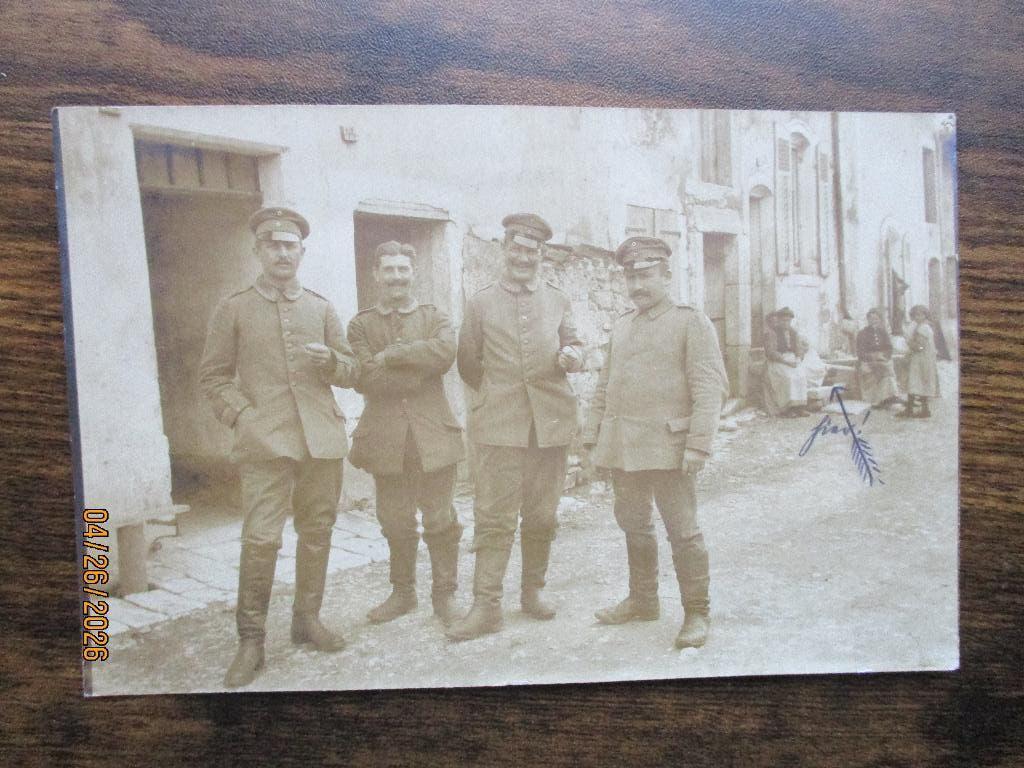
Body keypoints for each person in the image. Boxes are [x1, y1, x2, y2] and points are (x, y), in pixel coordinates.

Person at [199, 206, 358, 688]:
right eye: (273, 244)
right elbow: (213, 378)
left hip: (321, 442)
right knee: (261, 538)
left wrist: (331, 360)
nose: (282, 252)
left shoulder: (321, 307)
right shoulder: (234, 308)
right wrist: (245, 418)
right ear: (258, 250)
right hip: (265, 444)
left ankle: (306, 621)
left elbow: (353, 369)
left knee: (317, 531)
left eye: (290, 245)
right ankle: (251, 641)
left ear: (302, 252)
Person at [583, 237, 728, 649]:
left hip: (670, 448)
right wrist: (594, 435)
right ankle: (644, 600)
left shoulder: (690, 321)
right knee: (633, 524)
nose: (637, 284)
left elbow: (709, 387)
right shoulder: (623, 324)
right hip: (624, 447)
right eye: (630, 276)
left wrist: (699, 444)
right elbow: (604, 385)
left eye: (645, 275)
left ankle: (697, 612)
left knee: (683, 532)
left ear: (666, 275)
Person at [447, 213, 585, 642]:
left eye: (532, 251)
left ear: (542, 255)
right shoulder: (481, 302)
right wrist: (496, 399)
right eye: (517, 248)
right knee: (494, 518)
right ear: (504, 250)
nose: (524, 257)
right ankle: (486, 606)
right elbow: (468, 362)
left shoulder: (558, 300)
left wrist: (572, 357)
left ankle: (532, 593)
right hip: (499, 426)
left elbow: (575, 344)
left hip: (550, 424)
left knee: (542, 515)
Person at [346, 241, 465, 627]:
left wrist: (394, 356)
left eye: (403, 269)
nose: (396, 277)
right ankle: (402, 592)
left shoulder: (434, 317)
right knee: (394, 520)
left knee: (439, 518)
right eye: (389, 270)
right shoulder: (361, 324)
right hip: (387, 439)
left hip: (433, 435)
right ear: (376, 275)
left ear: (413, 273)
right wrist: (418, 369)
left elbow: (445, 354)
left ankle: (444, 595)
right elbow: (365, 377)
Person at [762, 307, 825, 417]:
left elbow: (798, 349)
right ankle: (787, 408)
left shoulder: (793, 332)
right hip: (777, 361)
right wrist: (786, 361)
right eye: (783, 320)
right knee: (788, 377)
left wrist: (798, 359)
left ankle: (799, 407)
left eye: (788, 321)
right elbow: (771, 352)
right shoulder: (771, 333)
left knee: (800, 375)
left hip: (791, 360)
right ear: (779, 320)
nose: (786, 323)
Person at [898, 304, 940, 419]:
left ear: (925, 315)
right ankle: (911, 408)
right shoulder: (918, 326)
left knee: (919, 381)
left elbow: (919, 347)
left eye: (921, 315)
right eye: (915, 315)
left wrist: (908, 341)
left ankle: (923, 410)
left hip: (922, 359)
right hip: (919, 358)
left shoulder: (924, 328)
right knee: (914, 381)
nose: (918, 317)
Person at [856, 308, 900, 407]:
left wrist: (884, 356)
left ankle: (889, 396)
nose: (874, 321)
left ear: (879, 320)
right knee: (871, 370)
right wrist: (872, 357)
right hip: (868, 361)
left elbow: (889, 348)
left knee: (888, 369)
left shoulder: (883, 332)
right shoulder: (862, 333)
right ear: (867, 320)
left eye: (876, 319)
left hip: (882, 359)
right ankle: (877, 399)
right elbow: (860, 352)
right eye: (871, 319)